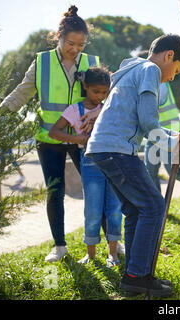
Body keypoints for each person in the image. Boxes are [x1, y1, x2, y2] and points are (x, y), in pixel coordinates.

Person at [0, 6, 123, 262]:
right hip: (49, 138)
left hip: (86, 140)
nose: (74, 49)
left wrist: (98, 115)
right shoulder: (42, 62)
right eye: (70, 43)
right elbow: (21, 93)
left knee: (96, 188)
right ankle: (60, 246)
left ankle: (112, 243)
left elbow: (107, 97)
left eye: (80, 44)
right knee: (55, 191)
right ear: (58, 36)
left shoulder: (91, 63)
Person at [85, 34, 180, 297]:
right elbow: (148, 122)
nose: (173, 78)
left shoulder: (130, 70)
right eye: (176, 70)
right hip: (116, 149)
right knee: (154, 206)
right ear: (169, 56)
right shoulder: (150, 69)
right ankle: (137, 276)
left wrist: (173, 137)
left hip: (104, 147)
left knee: (134, 209)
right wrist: (174, 143)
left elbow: (141, 122)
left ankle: (135, 274)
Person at [49, 67, 123, 267]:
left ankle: (113, 254)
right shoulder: (75, 110)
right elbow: (54, 132)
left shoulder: (110, 106)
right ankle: (91, 255)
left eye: (104, 92)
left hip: (114, 159)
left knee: (114, 208)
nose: (100, 96)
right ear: (85, 87)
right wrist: (77, 138)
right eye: (95, 91)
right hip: (90, 162)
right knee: (92, 210)